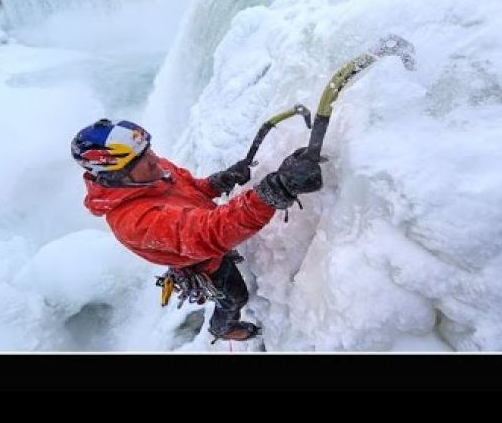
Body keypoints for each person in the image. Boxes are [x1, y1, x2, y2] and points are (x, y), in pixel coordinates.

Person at [71, 118, 323, 342]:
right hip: (200, 259)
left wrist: (218, 182)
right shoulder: (135, 222)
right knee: (235, 297)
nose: (154, 159)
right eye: (139, 159)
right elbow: (208, 233)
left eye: (147, 150)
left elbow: (191, 189)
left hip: (194, 239)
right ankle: (222, 328)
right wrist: (273, 191)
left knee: (232, 291)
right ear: (115, 174)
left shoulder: (150, 172)